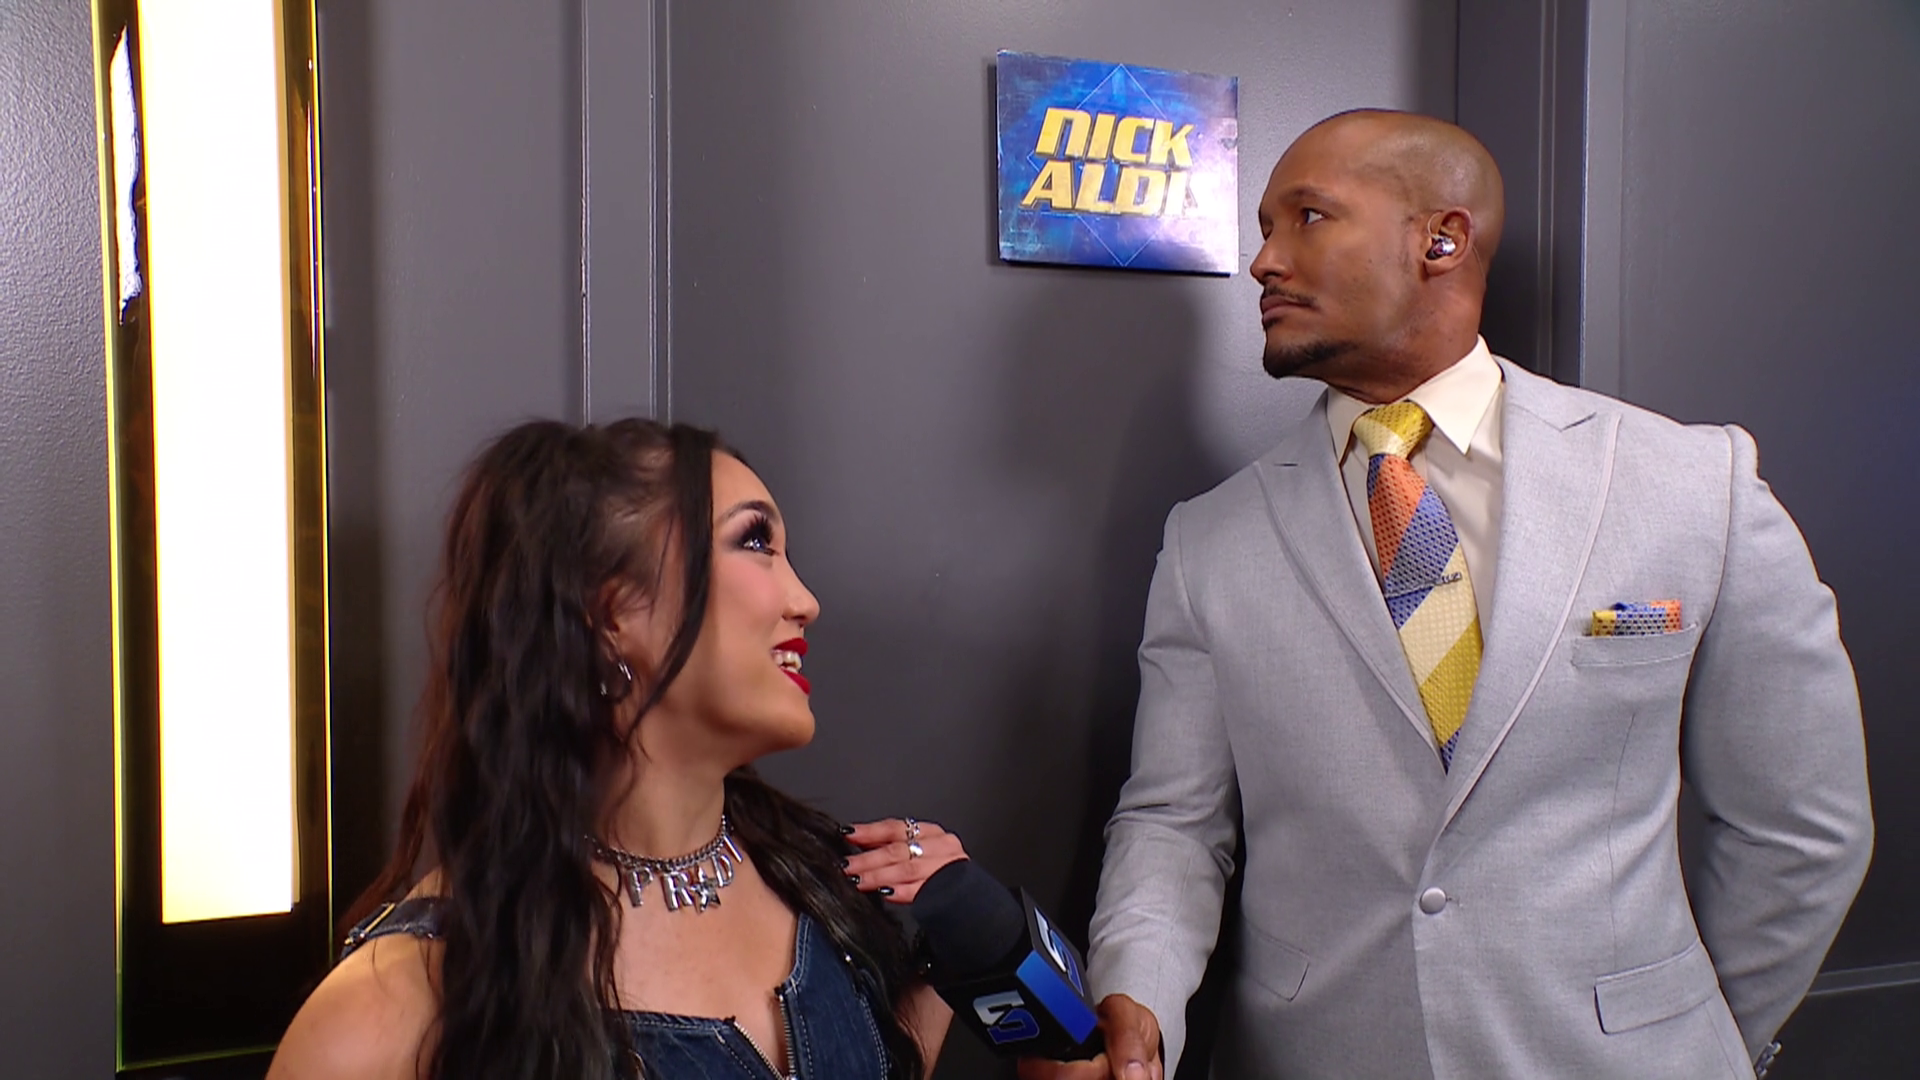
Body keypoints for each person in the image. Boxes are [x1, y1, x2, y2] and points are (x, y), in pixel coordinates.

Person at [1022, 110, 1873, 1080]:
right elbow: (1174, 823)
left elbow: (1801, 827)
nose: (1264, 261)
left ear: (1442, 240)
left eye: (1308, 217)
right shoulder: (1209, 540)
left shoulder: (1689, 484)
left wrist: (1691, 1043)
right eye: (1264, 228)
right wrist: (1136, 1000)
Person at [268, 419, 964, 1080]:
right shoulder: (397, 1007)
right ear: (611, 613)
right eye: (755, 541)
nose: (805, 601)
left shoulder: (823, 889)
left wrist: (965, 952)